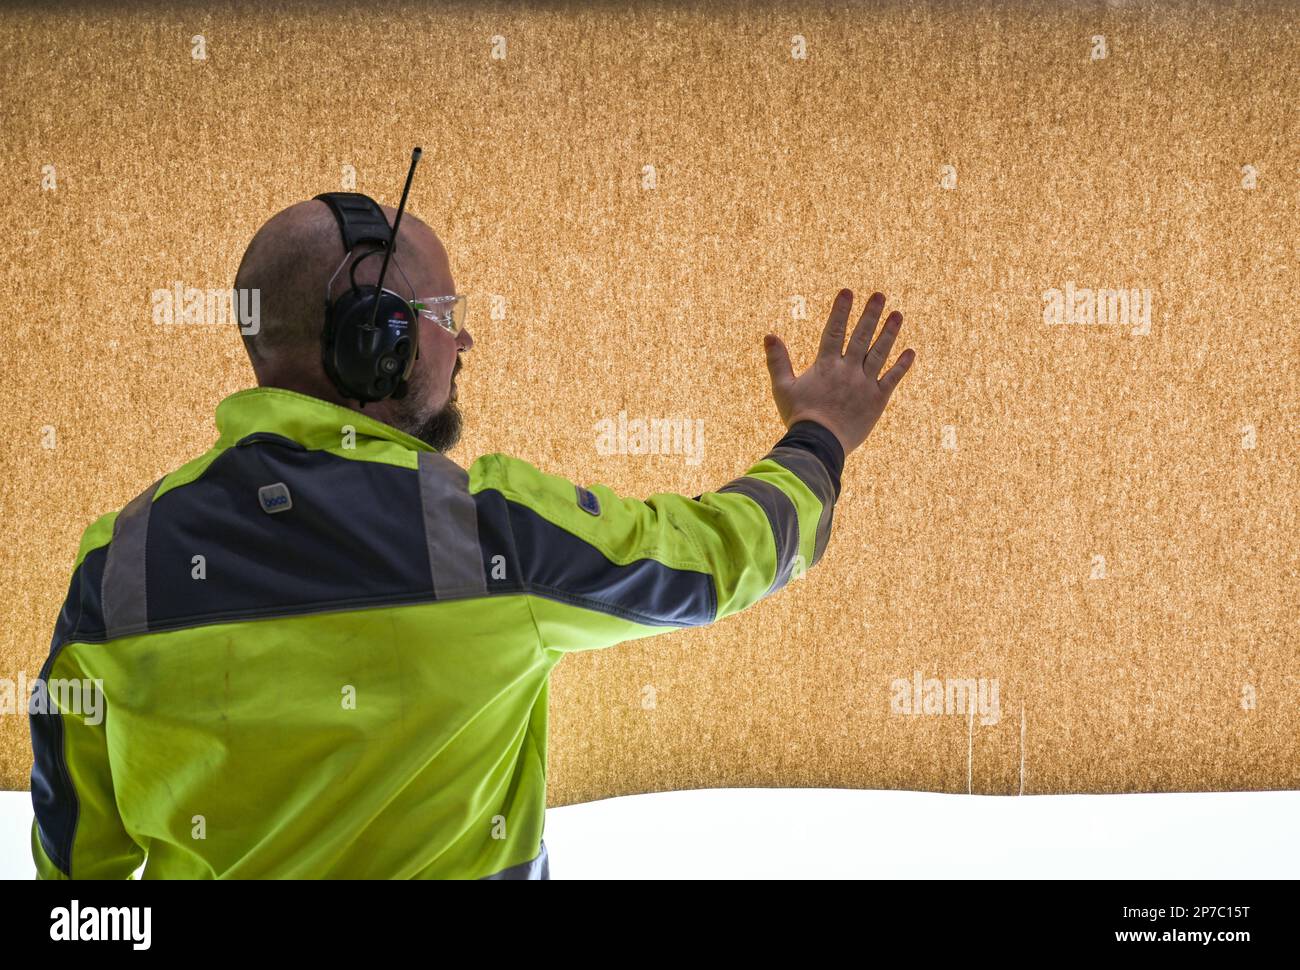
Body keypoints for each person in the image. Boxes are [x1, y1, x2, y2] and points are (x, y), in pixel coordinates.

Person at [29, 193, 915, 879]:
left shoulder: (119, 570)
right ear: (378, 339)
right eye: (448, 314)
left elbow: (76, 887)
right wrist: (820, 436)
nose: (467, 340)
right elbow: (718, 562)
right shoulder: (487, 539)